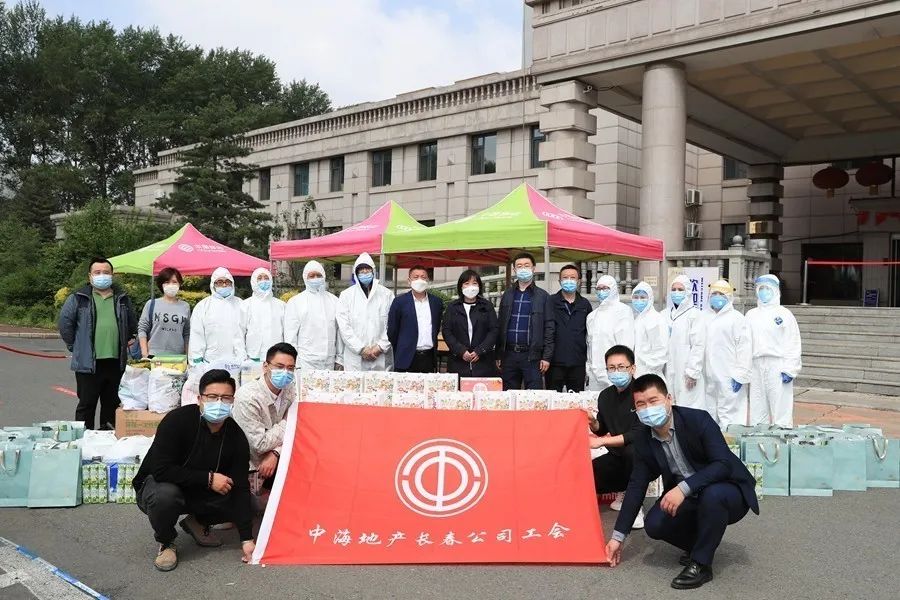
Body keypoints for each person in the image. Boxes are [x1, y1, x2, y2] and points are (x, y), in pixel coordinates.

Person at [605, 374, 759, 590]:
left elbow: (723, 464)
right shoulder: (643, 438)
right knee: (654, 524)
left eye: (653, 401)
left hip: (727, 490)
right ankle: (703, 545)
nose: (648, 409)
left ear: (669, 399)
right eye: (641, 404)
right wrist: (617, 537)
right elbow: (636, 485)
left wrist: (684, 488)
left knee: (712, 495)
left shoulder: (698, 420)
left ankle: (701, 564)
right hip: (690, 496)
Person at [133, 369, 255, 572]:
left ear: (233, 400)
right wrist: (208, 479)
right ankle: (166, 542)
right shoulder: (177, 421)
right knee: (165, 496)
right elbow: (161, 470)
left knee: (243, 498)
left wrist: (247, 540)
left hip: (198, 490)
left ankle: (197, 522)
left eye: (225, 398)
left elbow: (241, 487)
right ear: (200, 399)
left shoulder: (236, 435)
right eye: (212, 397)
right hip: (161, 486)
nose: (219, 403)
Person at [58, 257, 137, 430]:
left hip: (115, 362)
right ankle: (83, 439)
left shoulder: (122, 299)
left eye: (106, 272)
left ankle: (106, 439)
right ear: (90, 276)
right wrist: (76, 347)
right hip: (88, 364)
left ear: (112, 275)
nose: (102, 275)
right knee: (86, 405)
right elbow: (65, 324)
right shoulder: (79, 298)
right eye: (97, 272)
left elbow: (131, 324)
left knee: (111, 405)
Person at [587, 345, 644, 529]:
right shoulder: (605, 396)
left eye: (621, 367)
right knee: (588, 474)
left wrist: (602, 441)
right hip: (617, 455)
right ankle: (623, 490)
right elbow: (601, 429)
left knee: (632, 452)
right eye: (611, 368)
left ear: (632, 368)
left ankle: (635, 505)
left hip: (643, 456)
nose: (616, 372)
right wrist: (592, 422)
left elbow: (637, 434)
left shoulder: (642, 394)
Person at [232, 343, 297, 489]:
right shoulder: (248, 397)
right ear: (265, 366)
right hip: (252, 466)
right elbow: (259, 444)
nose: (285, 372)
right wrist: (289, 421)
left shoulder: (291, 389)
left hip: (281, 457)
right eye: (280, 367)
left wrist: (276, 452)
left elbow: (299, 431)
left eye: (290, 368)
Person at [746, 274, 802, 427]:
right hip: (756, 365)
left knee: (780, 408)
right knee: (757, 406)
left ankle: (782, 437)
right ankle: (758, 437)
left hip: (778, 366)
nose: (764, 292)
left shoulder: (784, 314)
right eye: (761, 288)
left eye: (767, 288)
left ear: (775, 291)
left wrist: (790, 368)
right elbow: (745, 343)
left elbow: (793, 341)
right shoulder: (751, 315)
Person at [496, 252, 553, 390]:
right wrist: (498, 354)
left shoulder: (543, 296)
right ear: (514, 270)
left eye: (527, 265)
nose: (523, 269)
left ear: (533, 268)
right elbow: (500, 325)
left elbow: (549, 327)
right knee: (509, 394)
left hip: (532, 356)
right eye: (519, 266)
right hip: (509, 355)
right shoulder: (507, 295)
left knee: (534, 395)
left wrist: (546, 357)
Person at [704, 280, 752, 429]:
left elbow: (744, 348)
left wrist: (741, 374)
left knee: (730, 416)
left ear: (729, 297)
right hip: (709, 377)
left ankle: (731, 443)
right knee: (710, 414)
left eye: (721, 294)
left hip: (729, 376)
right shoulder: (705, 317)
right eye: (714, 294)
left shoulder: (736, 318)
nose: (717, 297)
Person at [336, 253, 394, 372]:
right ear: (356, 273)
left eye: (367, 269)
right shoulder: (346, 295)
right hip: (355, 357)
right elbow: (344, 327)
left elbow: (392, 324)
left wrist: (380, 347)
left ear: (373, 271)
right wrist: (361, 349)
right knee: (354, 383)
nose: (364, 272)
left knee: (380, 383)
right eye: (361, 270)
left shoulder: (386, 294)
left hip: (381, 355)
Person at [283, 260, 341, 371]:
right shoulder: (296, 302)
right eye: (311, 276)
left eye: (318, 275)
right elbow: (290, 336)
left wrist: (339, 358)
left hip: (329, 360)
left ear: (324, 276)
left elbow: (339, 332)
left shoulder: (334, 301)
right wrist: (294, 361)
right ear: (305, 278)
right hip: (305, 361)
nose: (315, 278)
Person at [442, 270, 499, 378]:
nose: (470, 287)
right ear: (461, 286)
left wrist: (480, 350)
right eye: (466, 283)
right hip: (458, 362)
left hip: (483, 362)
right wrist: (461, 351)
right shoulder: (452, 307)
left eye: (474, 283)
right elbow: (447, 331)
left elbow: (494, 330)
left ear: (479, 286)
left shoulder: (487, 306)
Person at [387, 265, 444, 373]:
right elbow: (392, 331)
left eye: (423, 277)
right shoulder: (399, 302)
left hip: (428, 358)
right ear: (409, 281)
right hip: (405, 358)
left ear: (427, 280)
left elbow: (436, 327)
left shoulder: (436, 302)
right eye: (416, 277)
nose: (420, 280)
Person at [547, 264, 592, 392]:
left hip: (577, 362)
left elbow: (589, 333)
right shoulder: (550, 302)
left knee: (577, 398)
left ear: (579, 281)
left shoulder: (585, 304)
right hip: (554, 362)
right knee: (553, 397)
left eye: (572, 278)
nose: (569, 281)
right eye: (565, 278)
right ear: (559, 281)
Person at [586, 275, 635, 392]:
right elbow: (589, 344)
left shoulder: (623, 311)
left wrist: (619, 368)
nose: (601, 291)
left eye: (605, 288)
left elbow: (626, 343)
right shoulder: (592, 316)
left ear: (613, 289)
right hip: (594, 374)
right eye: (599, 288)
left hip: (615, 371)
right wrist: (588, 367)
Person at [665, 274, 707, 412]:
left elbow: (698, 345)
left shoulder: (695, 315)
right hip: (670, 369)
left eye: (680, 289)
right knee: (672, 406)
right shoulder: (665, 314)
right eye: (673, 289)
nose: (676, 292)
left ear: (688, 291)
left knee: (689, 407)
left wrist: (692, 372)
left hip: (686, 370)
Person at [189, 267, 245, 365]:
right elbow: (196, 335)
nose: (224, 285)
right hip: (210, 363)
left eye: (227, 282)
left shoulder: (241, 305)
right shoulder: (203, 306)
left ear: (232, 283)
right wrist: (197, 362)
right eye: (219, 282)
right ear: (213, 284)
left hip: (237, 362)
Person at [138, 267, 190, 358]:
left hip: (178, 357)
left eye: (174, 282)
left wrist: (188, 356)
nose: (171, 285)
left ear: (179, 284)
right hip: (153, 355)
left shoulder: (185, 306)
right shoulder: (151, 304)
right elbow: (142, 328)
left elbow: (187, 333)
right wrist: (144, 353)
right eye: (167, 282)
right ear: (161, 284)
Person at [241, 267, 285, 363]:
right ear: (254, 281)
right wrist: (242, 356)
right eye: (259, 278)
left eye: (266, 278)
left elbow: (286, 332)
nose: (263, 281)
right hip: (253, 357)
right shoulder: (245, 305)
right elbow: (240, 332)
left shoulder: (281, 305)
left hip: (276, 356)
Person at [631, 281, 668, 379]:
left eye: (643, 297)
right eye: (636, 297)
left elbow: (661, 349)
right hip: (637, 372)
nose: (639, 300)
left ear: (650, 298)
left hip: (651, 374)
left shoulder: (656, 319)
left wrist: (651, 371)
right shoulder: (638, 319)